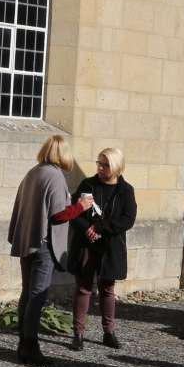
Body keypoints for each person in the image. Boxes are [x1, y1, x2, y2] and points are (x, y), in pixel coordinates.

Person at [7, 135, 82, 366]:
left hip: (27, 240)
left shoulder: (33, 172)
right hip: (43, 244)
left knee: (27, 293)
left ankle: (23, 344)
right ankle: (30, 346)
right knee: (37, 296)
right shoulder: (55, 176)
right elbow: (58, 215)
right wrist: (80, 207)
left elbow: (19, 206)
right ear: (63, 154)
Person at [56, 147, 137, 351]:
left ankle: (108, 332)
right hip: (86, 246)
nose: (100, 168)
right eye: (99, 163)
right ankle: (78, 334)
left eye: (105, 165)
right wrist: (88, 230)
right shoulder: (88, 185)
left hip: (110, 247)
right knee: (83, 288)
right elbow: (74, 213)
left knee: (107, 289)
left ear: (116, 167)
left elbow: (127, 219)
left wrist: (101, 228)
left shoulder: (126, 191)